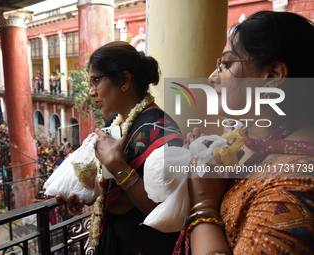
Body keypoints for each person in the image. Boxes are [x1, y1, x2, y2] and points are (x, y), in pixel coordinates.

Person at [176, 11, 314, 255]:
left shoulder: (293, 184)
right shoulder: (250, 144)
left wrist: (203, 204)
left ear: (273, 76)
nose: (212, 78)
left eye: (227, 64)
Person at [57, 41, 184, 254]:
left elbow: (165, 208)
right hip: (113, 239)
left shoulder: (161, 130)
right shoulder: (113, 122)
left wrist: (120, 168)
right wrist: (83, 192)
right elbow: (110, 188)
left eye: (96, 81)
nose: (91, 92)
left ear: (124, 80)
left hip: (144, 245)